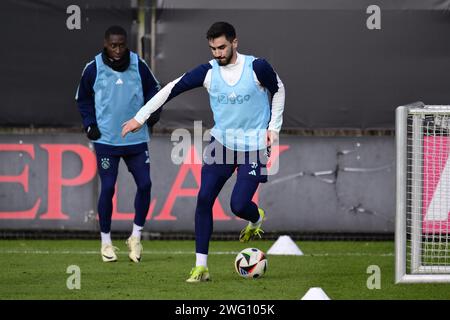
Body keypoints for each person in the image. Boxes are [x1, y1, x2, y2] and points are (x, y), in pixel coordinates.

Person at [122, 21, 285, 281]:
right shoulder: (208, 72)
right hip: (221, 144)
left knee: (239, 205)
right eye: (213, 48)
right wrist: (140, 118)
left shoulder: (257, 67)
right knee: (204, 198)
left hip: (254, 147)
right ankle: (201, 267)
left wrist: (273, 128)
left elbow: (279, 90)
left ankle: (255, 219)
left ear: (235, 43)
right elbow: (170, 89)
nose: (218, 53)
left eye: (222, 47)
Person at [76, 25, 161, 263]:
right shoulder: (93, 68)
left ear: (126, 43)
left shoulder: (138, 65)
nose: (118, 49)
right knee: (109, 187)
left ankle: (135, 238)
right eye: (113, 45)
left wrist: (153, 113)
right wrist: (89, 124)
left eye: (122, 44)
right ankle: (106, 242)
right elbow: (82, 99)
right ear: (105, 44)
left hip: (136, 140)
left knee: (145, 185)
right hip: (106, 142)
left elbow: (155, 91)